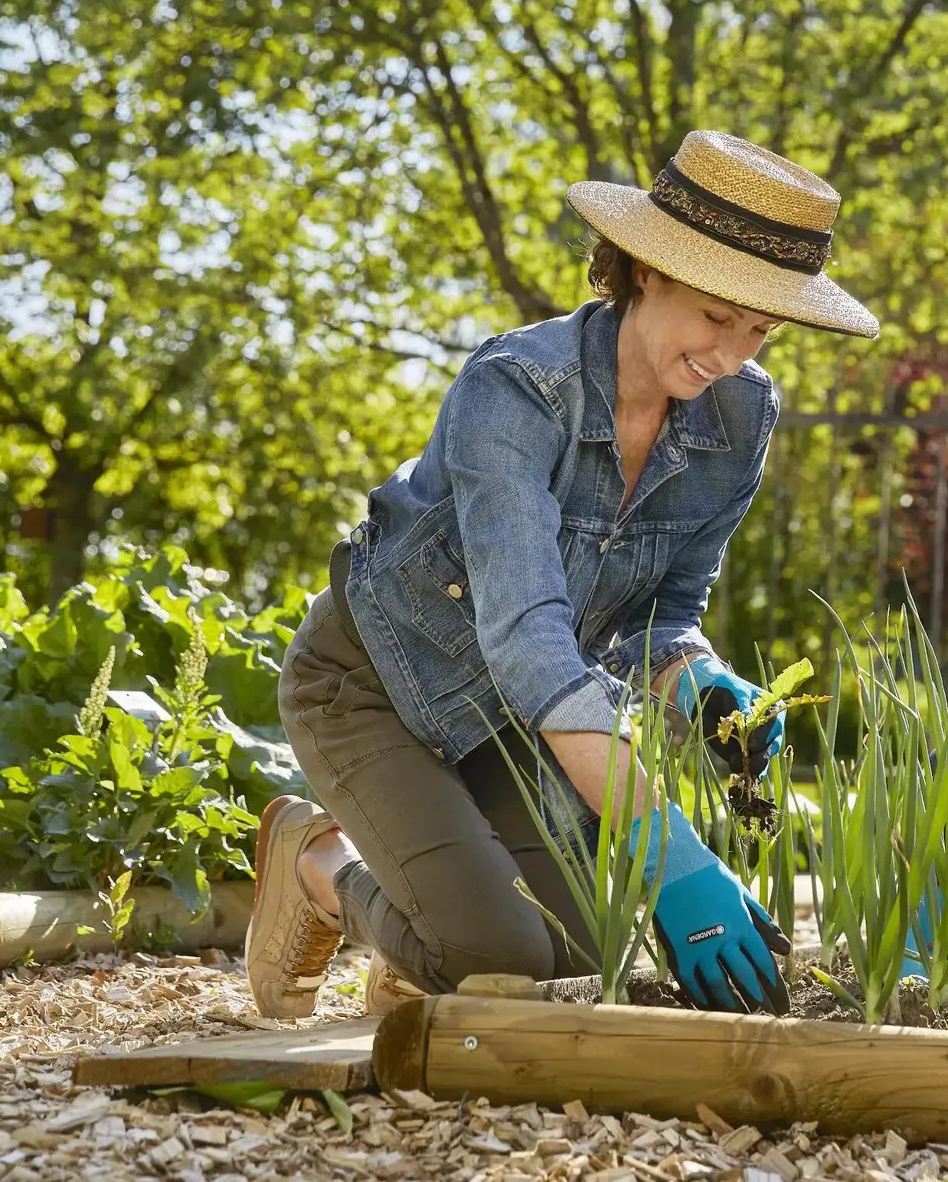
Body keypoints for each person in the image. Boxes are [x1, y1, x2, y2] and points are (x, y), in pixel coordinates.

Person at [243, 130, 878, 1020]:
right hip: (373, 682)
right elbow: (532, 642)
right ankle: (316, 865)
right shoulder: (516, 388)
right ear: (647, 269)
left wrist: (703, 685)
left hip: (506, 721)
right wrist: (671, 851)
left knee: (584, 947)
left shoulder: (740, 414)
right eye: (715, 315)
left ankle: (418, 925)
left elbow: (665, 612)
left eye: (760, 328)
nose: (732, 355)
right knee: (493, 955)